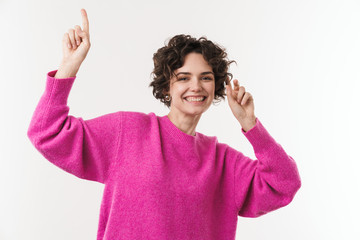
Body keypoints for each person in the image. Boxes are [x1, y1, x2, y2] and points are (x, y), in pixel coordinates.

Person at [27, 8, 301, 240]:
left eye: (205, 77)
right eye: (183, 77)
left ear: (216, 86)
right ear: (167, 87)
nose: (196, 85)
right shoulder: (128, 131)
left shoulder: (223, 162)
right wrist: (69, 66)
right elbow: (46, 132)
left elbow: (285, 184)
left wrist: (251, 126)